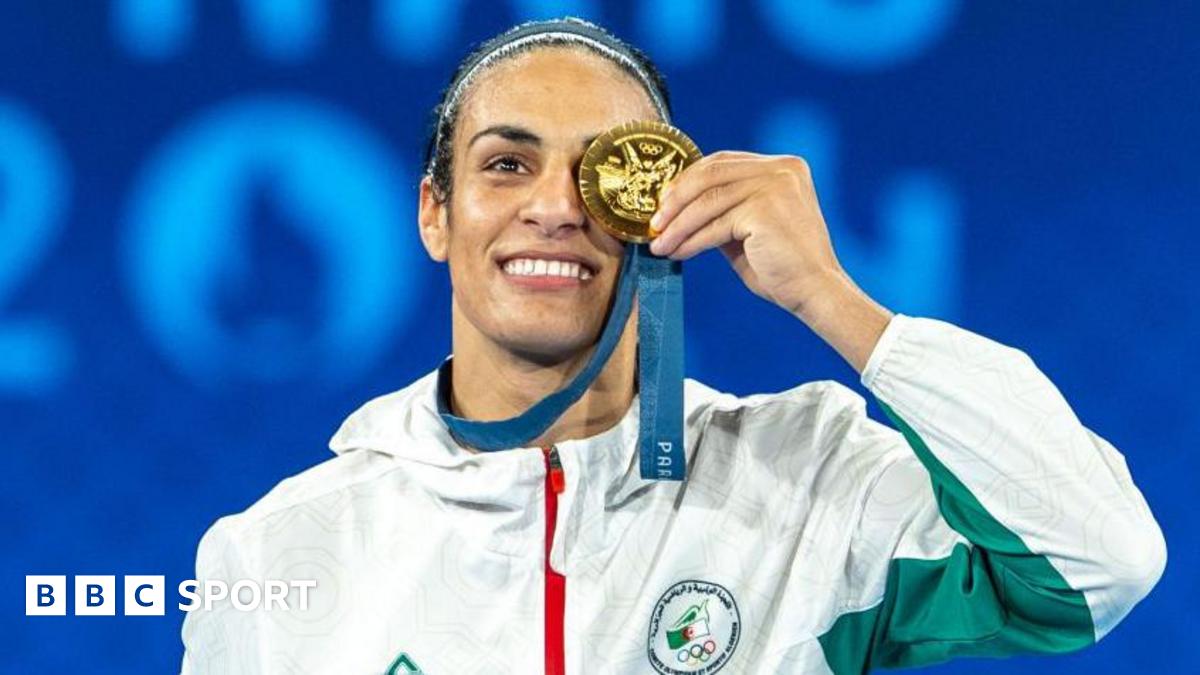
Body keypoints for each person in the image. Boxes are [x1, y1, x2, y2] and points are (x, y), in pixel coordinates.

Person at [181, 17, 1166, 675]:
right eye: (507, 163)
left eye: (602, 171)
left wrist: (835, 301)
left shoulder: (812, 483)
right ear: (436, 214)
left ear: (657, 208)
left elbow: (1098, 562)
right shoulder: (277, 553)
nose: (557, 209)